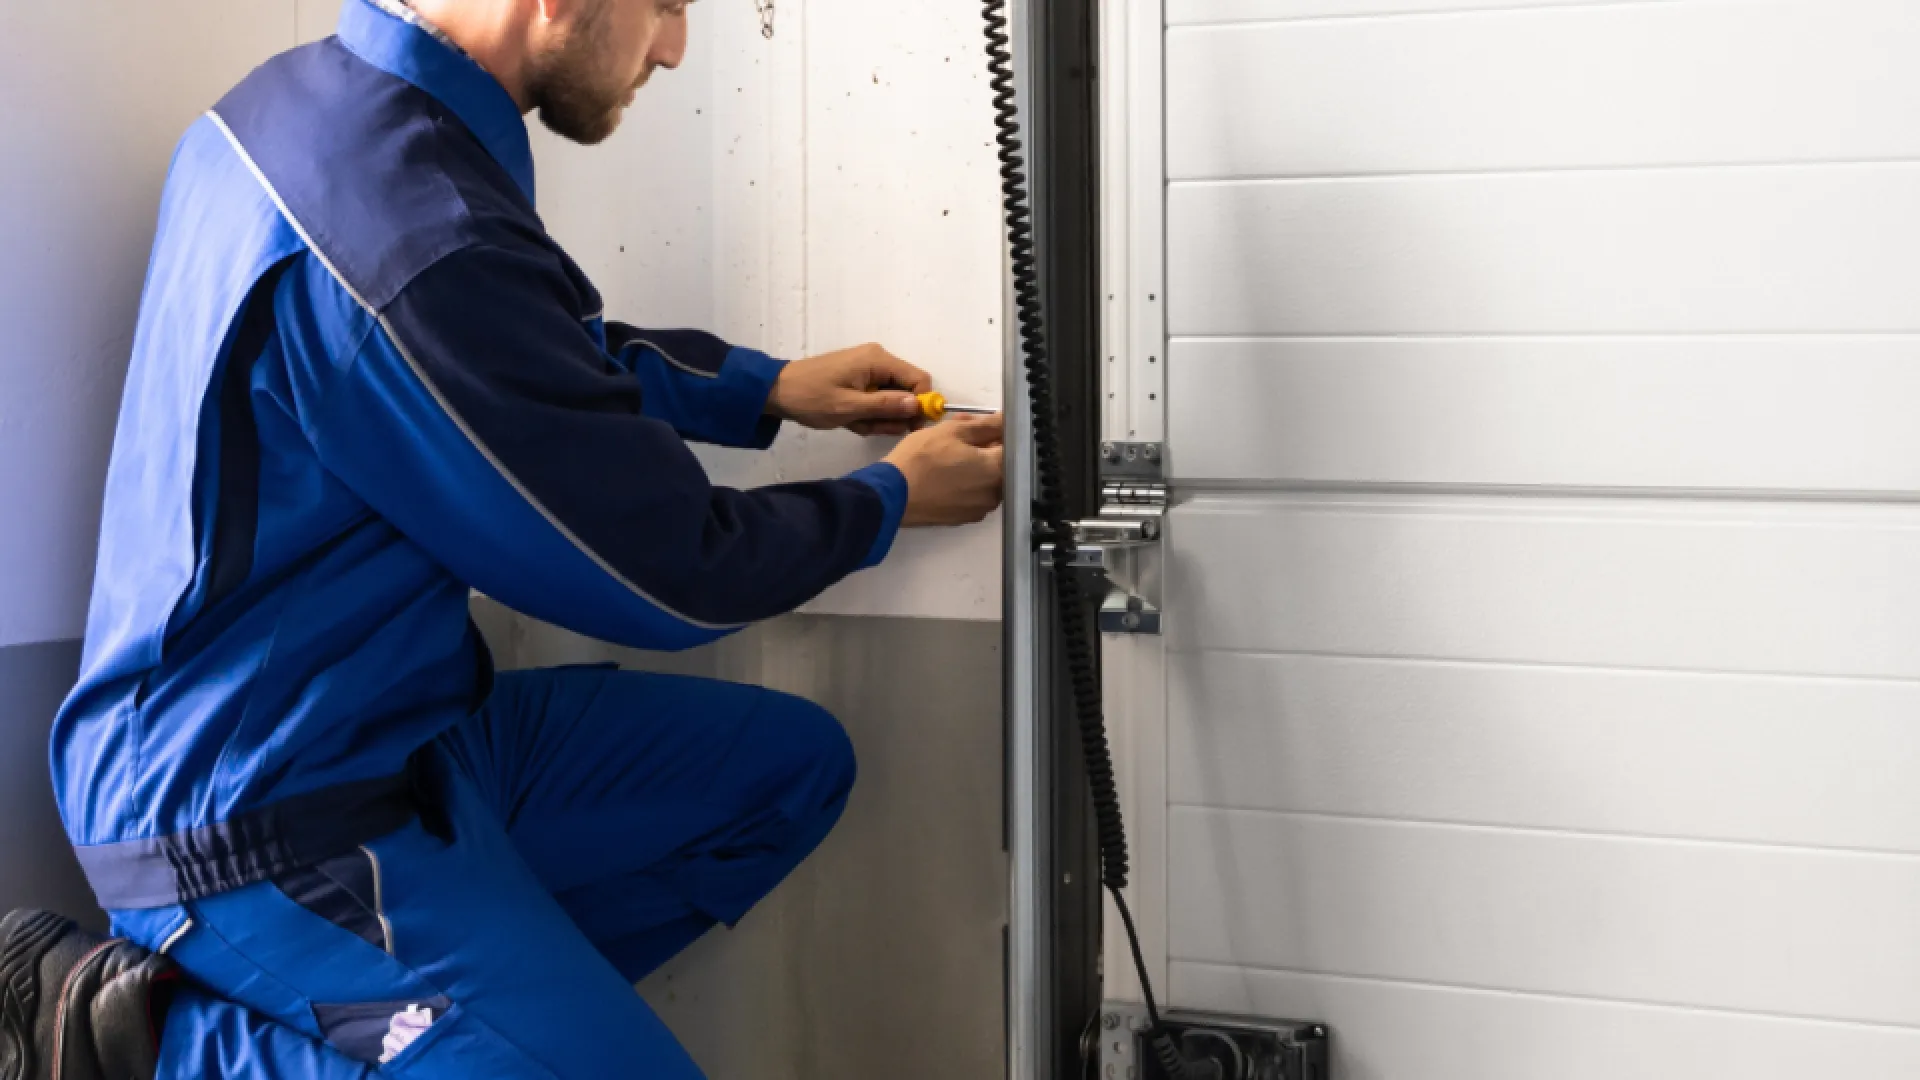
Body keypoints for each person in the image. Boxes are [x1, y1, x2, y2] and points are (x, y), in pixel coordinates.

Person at [0, 0, 1005, 1076]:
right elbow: (669, 574)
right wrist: (890, 501)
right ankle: (155, 1045)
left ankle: (467, 1037)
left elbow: (519, 357)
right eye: (665, 5)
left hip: (400, 732)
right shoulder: (413, 230)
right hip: (255, 813)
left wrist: (761, 391)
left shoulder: (298, 107)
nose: (672, 47)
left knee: (786, 774)